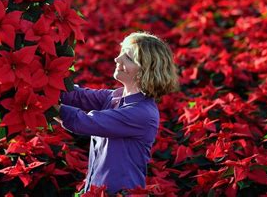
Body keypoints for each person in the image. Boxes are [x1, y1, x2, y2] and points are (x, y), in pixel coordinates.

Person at [53, 31, 179, 194]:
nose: (117, 59)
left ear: (145, 71)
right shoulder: (115, 97)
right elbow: (77, 95)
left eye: (127, 57)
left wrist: (41, 105)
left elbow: (82, 121)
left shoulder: (141, 113)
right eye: (121, 53)